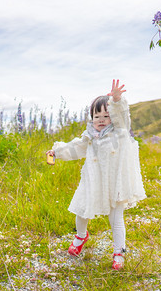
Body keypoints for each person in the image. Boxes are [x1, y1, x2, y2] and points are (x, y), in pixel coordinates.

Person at [46, 79, 146, 270]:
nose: (101, 119)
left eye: (106, 115)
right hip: (92, 182)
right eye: (96, 115)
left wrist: (117, 100)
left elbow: (122, 116)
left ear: (113, 117)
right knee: (81, 210)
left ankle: (119, 251)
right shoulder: (89, 137)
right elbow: (74, 149)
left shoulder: (119, 132)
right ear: (91, 117)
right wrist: (56, 153)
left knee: (116, 219)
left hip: (115, 184)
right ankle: (81, 236)